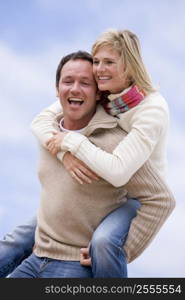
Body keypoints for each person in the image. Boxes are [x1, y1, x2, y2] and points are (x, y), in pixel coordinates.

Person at [0, 42, 175, 277]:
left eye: (85, 83)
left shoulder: (138, 120)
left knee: (104, 243)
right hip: (40, 255)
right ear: (56, 88)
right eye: (68, 81)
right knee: (14, 242)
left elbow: (140, 184)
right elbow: (39, 121)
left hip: (130, 195)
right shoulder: (52, 130)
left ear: (98, 93)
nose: (75, 88)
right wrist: (65, 154)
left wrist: (125, 250)